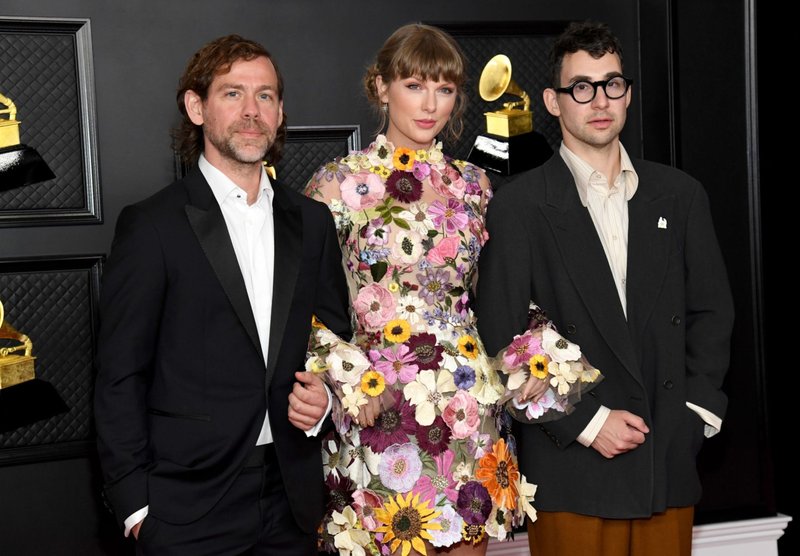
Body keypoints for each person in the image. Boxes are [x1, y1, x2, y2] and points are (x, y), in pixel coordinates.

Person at [303, 23, 599, 556]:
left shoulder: (473, 185)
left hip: (468, 409)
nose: (430, 104)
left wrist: (537, 356)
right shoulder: (336, 184)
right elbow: (298, 305)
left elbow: (499, 294)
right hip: (381, 408)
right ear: (380, 87)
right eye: (415, 85)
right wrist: (348, 373)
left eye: (444, 89)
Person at [475, 20, 735, 556]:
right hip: (573, 467)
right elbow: (501, 335)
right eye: (582, 87)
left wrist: (694, 416)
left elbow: (712, 313)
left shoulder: (680, 196)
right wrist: (589, 423)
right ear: (553, 101)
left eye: (612, 84)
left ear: (628, 94)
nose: (600, 101)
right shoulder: (519, 206)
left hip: (665, 456)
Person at [93, 34, 351, 556]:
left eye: (266, 96)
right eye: (233, 94)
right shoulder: (152, 225)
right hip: (186, 505)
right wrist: (137, 508)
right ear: (196, 107)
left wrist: (325, 398)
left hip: (291, 497)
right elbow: (119, 374)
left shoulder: (313, 221)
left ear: (280, 112)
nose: (252, 111)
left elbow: (332, 339)